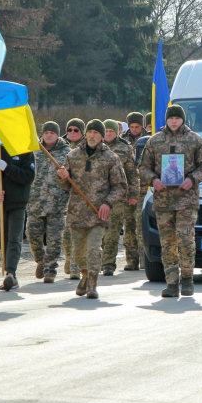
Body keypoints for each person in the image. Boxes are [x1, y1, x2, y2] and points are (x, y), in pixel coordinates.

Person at [139, 105, 202, 298]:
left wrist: (193, 179)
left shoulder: (195, 140)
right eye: (171, 118)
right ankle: (172, 282)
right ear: (166, 119)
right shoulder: (155, 141)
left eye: (177, 118)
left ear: (183, 120)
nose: (174, 121)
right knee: (167, 243)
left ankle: (187, 279)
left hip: (186, 199)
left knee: (185, 238)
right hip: (163, 200)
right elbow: (143, 166)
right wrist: (153, 180)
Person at [56, 119, 126, 299]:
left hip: (98, 214)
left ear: (102, 136)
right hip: (77, 212)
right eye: (90, 132)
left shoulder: (111, 158)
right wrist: (62, 177)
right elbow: (64, 185)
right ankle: (85, 275)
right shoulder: (73, 156)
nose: (92, 136)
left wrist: (107, 203)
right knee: (78, 254)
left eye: (96, 133)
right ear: (85, 134)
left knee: (94, 249)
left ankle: (93, 284)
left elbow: (120, 186)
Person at [0, 139, 36, 291]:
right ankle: (9, 273)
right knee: (3, 239)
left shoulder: (25, 151)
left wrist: (8, 168)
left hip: (18, 203)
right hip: (0, 204)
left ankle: (11, 272)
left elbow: (28, 176)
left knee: (14, 238)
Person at [27, 121, 69, 283]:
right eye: (46, 133)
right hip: (35, 202)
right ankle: (40, 261)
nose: (49, 135)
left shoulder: (66, 153)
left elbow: (73, 175)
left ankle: (50, 269)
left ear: (57, 135)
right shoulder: (34, 151)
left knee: (54, 239)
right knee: (32, 235)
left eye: (52, 132)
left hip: (57, 204)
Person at [101, 119, 139, 276]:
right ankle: (105, 258)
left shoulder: (124, 147)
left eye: (111, 131)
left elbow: (132, 172)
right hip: (99, 194)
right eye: (106, 131)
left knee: (117, 228)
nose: (108, 133)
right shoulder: (95, 147)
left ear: (117, 132)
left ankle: (111, 263)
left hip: (119, 194)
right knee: (102, 230)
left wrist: (134, 193)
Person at [120, 111, 148, 271]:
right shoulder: (122, 141)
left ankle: (145, 259)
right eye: (132, 126)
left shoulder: (149, 140)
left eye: (137, 126)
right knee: (128, 225)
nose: (134, 129)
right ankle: (131, 260)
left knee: (141, 225)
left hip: (143, 188)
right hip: (126, 188)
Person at [62, 117, 86, 280]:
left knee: (79, 232)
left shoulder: (86, 148)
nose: (72, 133)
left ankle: (76, 265)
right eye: (69, 130)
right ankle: (70, 258)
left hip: (82, 196)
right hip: (63, 196)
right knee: (66, 233)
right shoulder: (61, 147)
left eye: (76, 130)